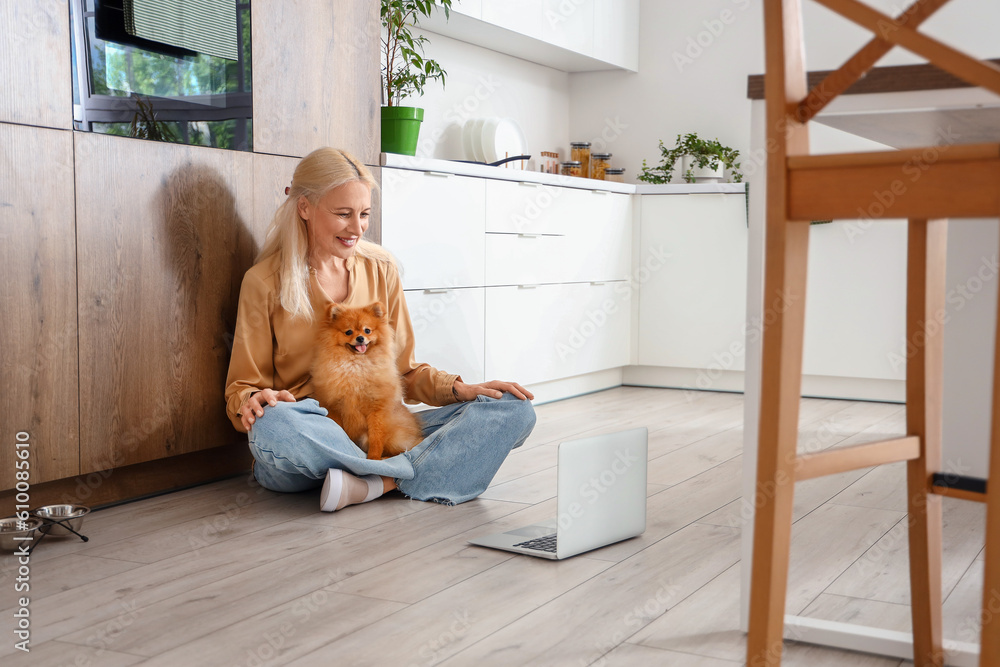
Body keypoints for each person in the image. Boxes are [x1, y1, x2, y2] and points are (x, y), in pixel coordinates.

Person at [224, 147, 536, 512]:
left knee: (515, 410)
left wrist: (459, 389)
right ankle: (404, 476)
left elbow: (404, 371)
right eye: (343, 214)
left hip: (378, 430)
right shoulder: (263, 282)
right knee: (273, 426)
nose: (357, 228)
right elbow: (242, 387)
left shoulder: (381, 267)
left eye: (364, 214)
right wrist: (252, 402)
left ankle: (370, 482)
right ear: (305, 208)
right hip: (310, 438)